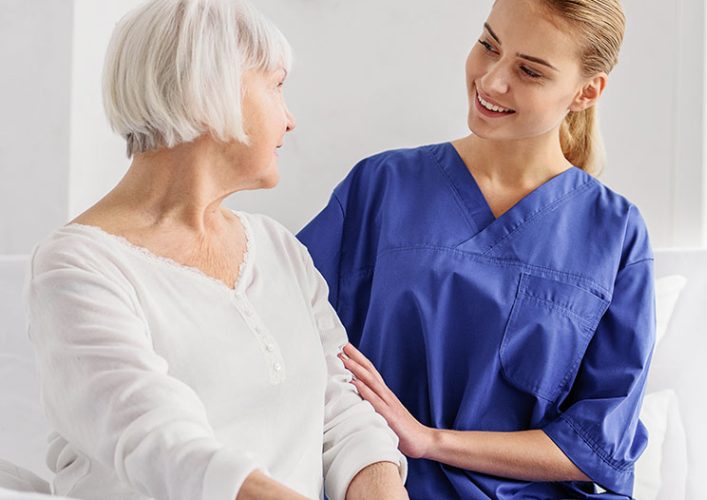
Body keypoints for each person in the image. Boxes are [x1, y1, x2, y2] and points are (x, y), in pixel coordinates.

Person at [25, 1, 407, 498]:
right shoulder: (78, 267)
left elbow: (342, 412)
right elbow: (162, 444)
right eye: (276, 85)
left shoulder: (277, 247)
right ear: (213, 89)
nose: (290, 119)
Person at [298, 0, 654, 497]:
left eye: (529, 71)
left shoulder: (615, 234)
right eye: (489, 45)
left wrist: (430, 441)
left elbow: (596, 443)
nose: (491, 82)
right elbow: (281, 332)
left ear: (586, 92)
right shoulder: (381, 186)